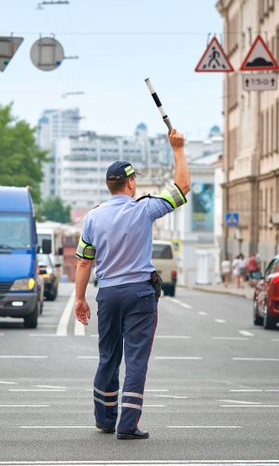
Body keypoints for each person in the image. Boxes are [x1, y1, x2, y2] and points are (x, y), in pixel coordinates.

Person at [74, 128, 190, 440]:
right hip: (140, 293)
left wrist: (79, 299)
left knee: (108, 357)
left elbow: (84, 261)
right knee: (136, 359)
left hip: (108, 293)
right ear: (130, 182)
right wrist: (177, 149)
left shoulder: (92, 218)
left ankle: (104, 419)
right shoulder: (145, 209)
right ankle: (128, 425)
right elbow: (183, 187)